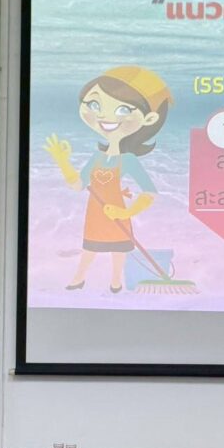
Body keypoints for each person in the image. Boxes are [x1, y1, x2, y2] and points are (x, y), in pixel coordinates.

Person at [44, 65, 172, 293]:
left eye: (123, 109)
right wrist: (63, 162)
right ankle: (79, 278)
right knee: (90, 248)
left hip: (117, 212)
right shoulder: (96, 157)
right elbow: (78, 185)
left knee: (118, 250)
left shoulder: (129, 160)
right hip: (95, 212)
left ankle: (116, 281)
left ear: (149, 118)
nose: (104, 116)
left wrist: (126, 213)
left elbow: (150, 192)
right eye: (94, 105)